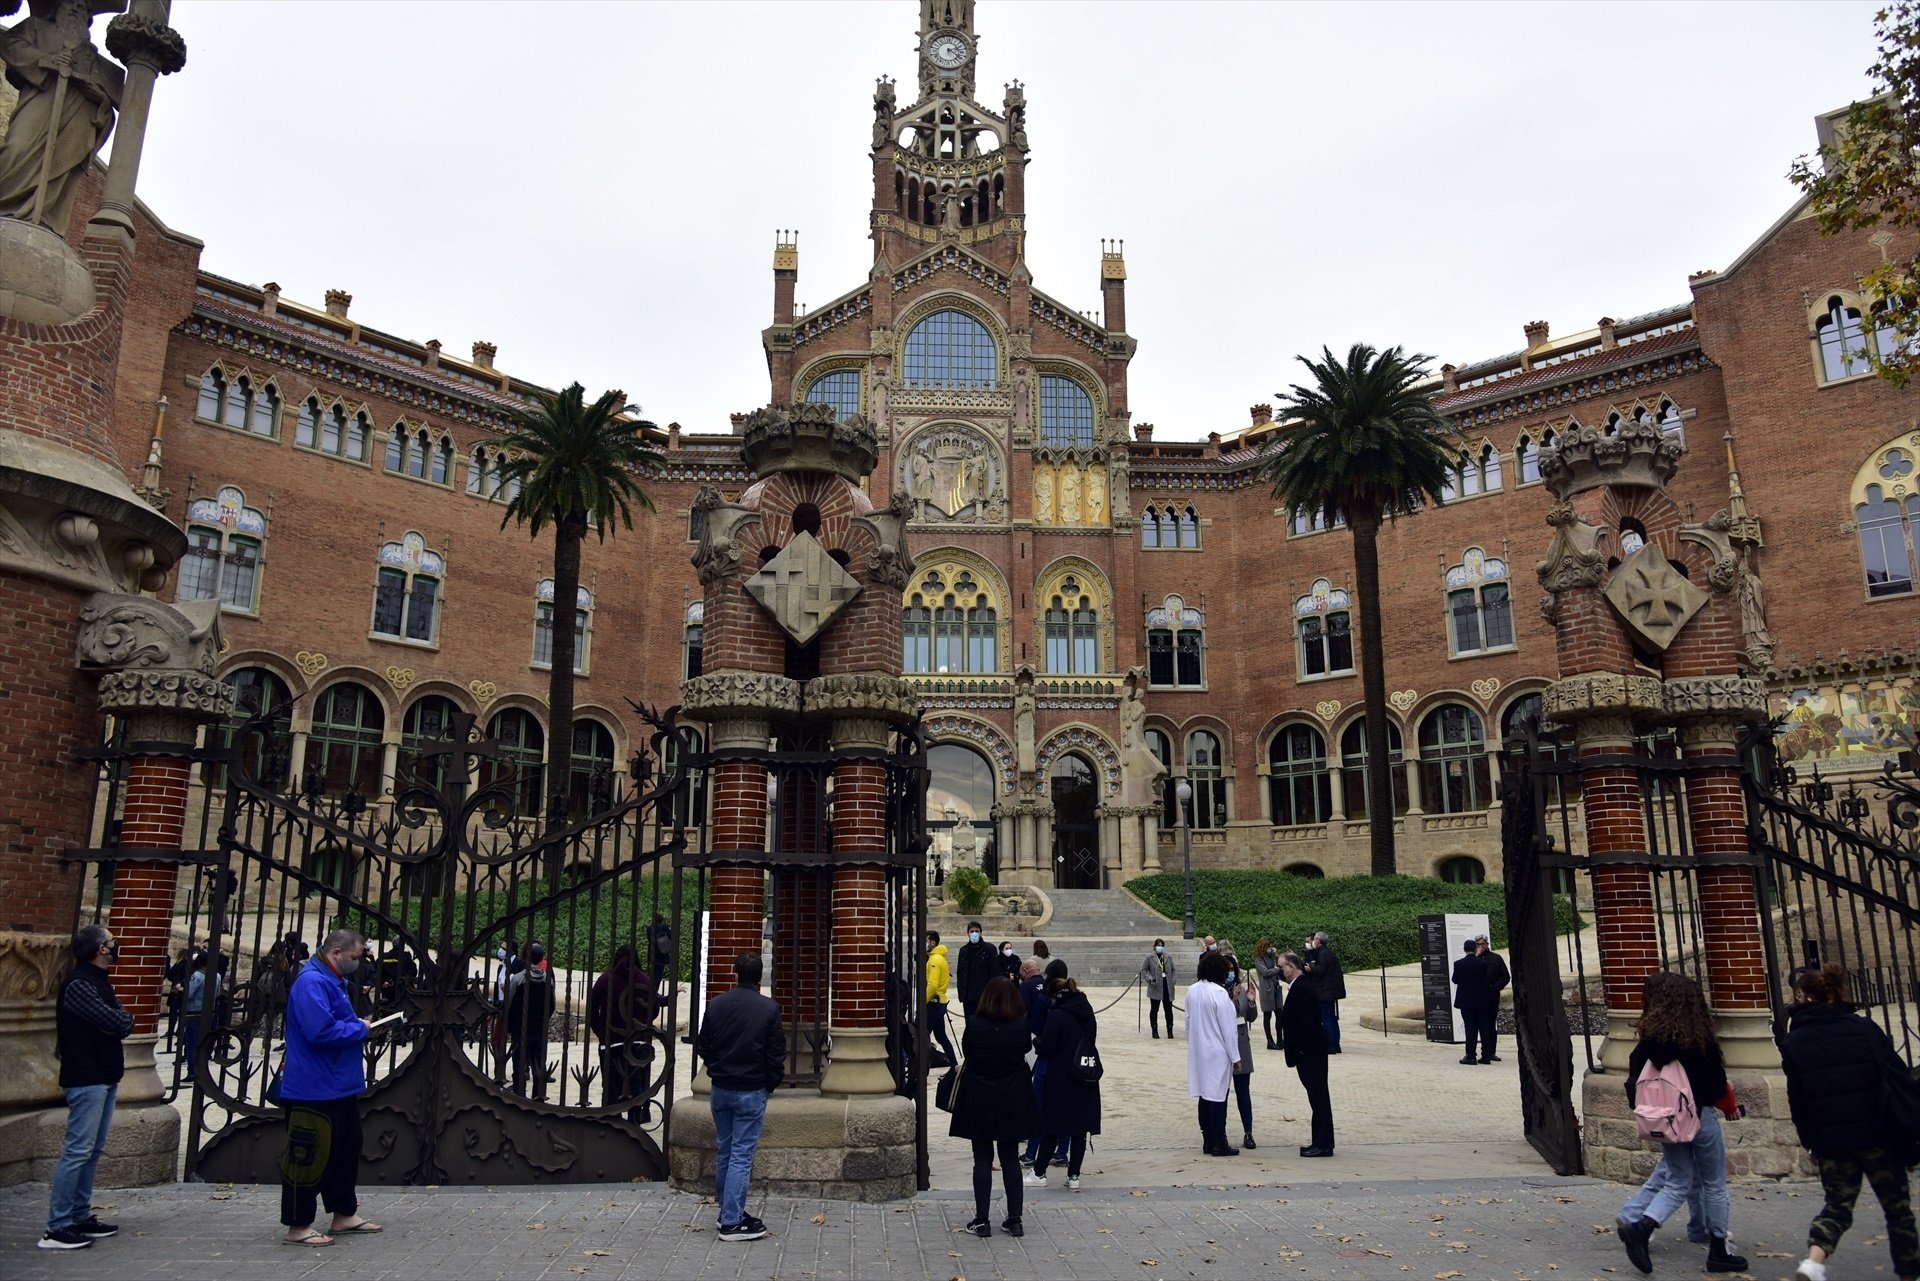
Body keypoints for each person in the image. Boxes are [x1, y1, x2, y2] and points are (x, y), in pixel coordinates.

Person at [1779, 964, 1918, 1281]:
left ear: (1806, 997)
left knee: (1837, 1206)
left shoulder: (1795, 1041)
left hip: (1832, 1141)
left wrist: (1809, 1140)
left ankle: (1813, 1263)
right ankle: (1910, 1273)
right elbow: (1895, 1074)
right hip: (1877, 1134)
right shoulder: (1864, 1029)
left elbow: (1797, 1099)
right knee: (1897, 1209)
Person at [1615, 971, 1746, 1275]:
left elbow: (1633, 1085)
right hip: (1699, 1117)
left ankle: (1642, 1227)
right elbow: (1716, 1087)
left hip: (1665, 1122)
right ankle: (1718, 1249)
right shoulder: (1700, 1042)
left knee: (1677, 1180)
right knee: (1714, 1184)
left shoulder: (1647, 1045)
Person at [280, 928, 378, 1248]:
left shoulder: (332, 981)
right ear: (336, 953)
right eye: (353, 957)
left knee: (345, 1150)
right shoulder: (312, 983)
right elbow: (319, 1031)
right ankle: (299, 1224)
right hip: (314, 1086)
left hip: (338, 1085)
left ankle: (343, 1213)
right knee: (307, 1154)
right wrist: (360, 1029)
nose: (357, 963)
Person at [40, 924, 131, 1251]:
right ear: (100, 949)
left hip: (104, 1075)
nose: (116, 945)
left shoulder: (97, 982)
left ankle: (79, 1214)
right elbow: (118, 1022)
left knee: (91, 1150)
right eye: (111, 942)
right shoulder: (79, 984)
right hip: (86, 1076)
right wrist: (117, 1022)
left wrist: (118, 1022)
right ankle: (57, 1226)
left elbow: (122, 1022)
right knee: (77, 1151)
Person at [697, 952, 785, 1243]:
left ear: (736, 973)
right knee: (741, 1155)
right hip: (750, 1087)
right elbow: (775, 1054)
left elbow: (703, 1045)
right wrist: (769, 1083)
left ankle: (728, 1210)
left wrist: (716, 1068)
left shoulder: (718, 1004)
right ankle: (732, 1221)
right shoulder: (768, 1009)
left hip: (721, 1087)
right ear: (760, 975)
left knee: (725, 1150)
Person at [950, 976, 1039, 1239]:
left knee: (982, 1159)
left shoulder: (975, 1025)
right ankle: (1015, 1219)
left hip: (980, 1094)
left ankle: (982, 1219)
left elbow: (969, 1052)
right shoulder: (1020, 1025)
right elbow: (1025, 1049)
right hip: (1011, 1094)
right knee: (1010, 1157)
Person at [1025, 962, 1100, 1190]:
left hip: (1060, 1077)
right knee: (1079, 1129)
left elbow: (1046, 1046)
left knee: (1051, 1126)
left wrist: (1037, 1041)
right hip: (1085, 1074)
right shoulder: (1087, 1013)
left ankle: (1039, 1173)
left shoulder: (1057, 1016)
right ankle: (1074, 1176)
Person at [589, 944, 658, 1123]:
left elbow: (591, 1010)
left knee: (611, 1086)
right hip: (638, 1041)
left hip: (611, 1042)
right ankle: (635, 1120)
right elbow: (654, 1010)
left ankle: (612, 1122)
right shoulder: (644, 980)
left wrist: (601, 1032)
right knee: (637, 1085)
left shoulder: (606, 980)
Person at [1278, 951, 1334, 1156]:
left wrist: (1300, 1051)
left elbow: (1306, 1025)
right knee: (1317, 1098)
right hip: (1310, 1053)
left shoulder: (1301, 988)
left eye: (1282, 967)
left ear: (1291, 968)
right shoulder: (1300, 986)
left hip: (1310, 1054)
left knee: (1318, 1098)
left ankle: (1323, 1144)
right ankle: (1320, 1141)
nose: (1280, 971)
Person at [1186, 949, 1240, 1157]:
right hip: (1217, 1051)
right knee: (1218, 1096)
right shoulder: (1219, 995)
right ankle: (1219, 1140)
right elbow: (1229, 1030)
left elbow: (1189, 1022)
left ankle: (1207, 1139)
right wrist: (1236, 1057)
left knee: (1204, 1095)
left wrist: (1193, 1045)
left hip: (1199, 1050)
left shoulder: (1192, 990)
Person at [1017, 958, 1065, 1168]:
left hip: (1045, 1056)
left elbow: (1034, 1024)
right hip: (1067, 1061)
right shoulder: (1076, 998)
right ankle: (1062, 1152)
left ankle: (1032, 1153)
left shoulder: (1043, 997)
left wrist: (1037, 1041)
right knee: (1063, 1109)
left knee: (1038, 1106)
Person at [505, 946, 556, 1101]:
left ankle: (519, 1096)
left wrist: (510, 1023)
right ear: (541, 959)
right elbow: (551, 1005)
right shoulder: (548, 980)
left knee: (519, 1064)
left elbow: (509, 1003)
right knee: (538, 1063)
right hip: (538, 1027)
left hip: (520, 1027)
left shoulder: (517, 979)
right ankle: (538, 1096)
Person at [1451, 939, 1493, 1066]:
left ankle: (1470, 1055)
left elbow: (1455, 980)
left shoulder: (1459, 964)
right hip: (1480, 999)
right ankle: (1486, 1055)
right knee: (1483, 1027)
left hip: (1466, 1000)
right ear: (1475, 949)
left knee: (1470, 1027)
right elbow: (1486, 979)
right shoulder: (1482, 963)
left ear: (1464, 949)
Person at [1231, 961, 1259, 1150]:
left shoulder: (1240, 989)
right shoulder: (1217, 991)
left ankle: (1248, 1131)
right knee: (1219, 1093)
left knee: (1244, 1092)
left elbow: (1250, 1017)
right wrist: (1233, 1000)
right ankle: (1218, 1133)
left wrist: (1250, 1001)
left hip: (1241, 1044)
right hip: (1223, 1046)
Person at [1304, 931, 1346, 1054]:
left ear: (1319, 941)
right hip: (1330, 991)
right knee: (1332, 1018)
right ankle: (1335, 1043)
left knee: (1327, 1018)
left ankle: (1331, 1045)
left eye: (1315, 939)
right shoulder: (1328, 953)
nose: (1313, 942)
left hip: (1324, 991)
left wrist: (1311, 968)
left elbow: (1321, 970)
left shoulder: (1322, 954)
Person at [925, 931, 957, 1068]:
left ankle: (921, 1065)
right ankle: (954, 1063)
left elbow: (932, 984)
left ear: (932, 942)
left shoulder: (934, 960)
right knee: (941, 1036)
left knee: (923, 1034)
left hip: (934, 1002)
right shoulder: (938, 958)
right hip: (940, 1001)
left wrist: (923, 1001)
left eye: (926, 941)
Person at [182, 949, 218, 1071]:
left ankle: (193, 1070)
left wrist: (181, 990)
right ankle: (203, 1068)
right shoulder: (216, 975)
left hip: (194, 1011)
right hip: (209, 1012)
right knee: (205, 1041)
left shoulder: (197, 976)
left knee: (192, 1043)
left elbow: (189, 994)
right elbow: (217, 993)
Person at [955, 922, 997, 1019]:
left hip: (984, 995)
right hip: (968, 995)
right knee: (970, 1024)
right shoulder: (964, 950)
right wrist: (961, 993)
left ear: (981, 933)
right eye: (972, 931)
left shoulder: (989, 949)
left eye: (976, 931)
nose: (974, 933)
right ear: (968, 933)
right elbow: (960, 973)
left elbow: (995, 972)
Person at [1140, 939, 1177, 1039]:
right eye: (1158, 945)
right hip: (1155, 985)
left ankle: (1170, 1030)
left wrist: (1173, 981)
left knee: (1168, 1009)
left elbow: (1174, 970)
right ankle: (1154, 1030)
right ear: (1155, 946)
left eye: (1162, 945)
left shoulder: (1168, 957)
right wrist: (1149, 978)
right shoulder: (1149, 957)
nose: (1160, 947)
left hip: (1167, 985)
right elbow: (1144, 970)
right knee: (1154, 1009)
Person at [1254, 937, 1284, 1050]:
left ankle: (1280, 1039)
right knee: (1267, 1015)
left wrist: (1276, 955)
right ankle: (1269, 1040)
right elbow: (1265, 972)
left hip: (1276, 987)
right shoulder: (1258, 958)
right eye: (1268, 946)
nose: (1270, 948)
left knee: (1280, 1014)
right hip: (1267, 988)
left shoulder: (1272, 956)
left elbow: (1280, 963)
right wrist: (1276, 969)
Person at [647, 914, 673, 993]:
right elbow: (671, 937)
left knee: (652, 974)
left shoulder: (650, 929)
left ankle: (650, 990)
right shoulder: (665, 927)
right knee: (659, 974)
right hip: (663, 955)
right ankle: (655, 991)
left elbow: (649, 939)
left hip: (653, 955)